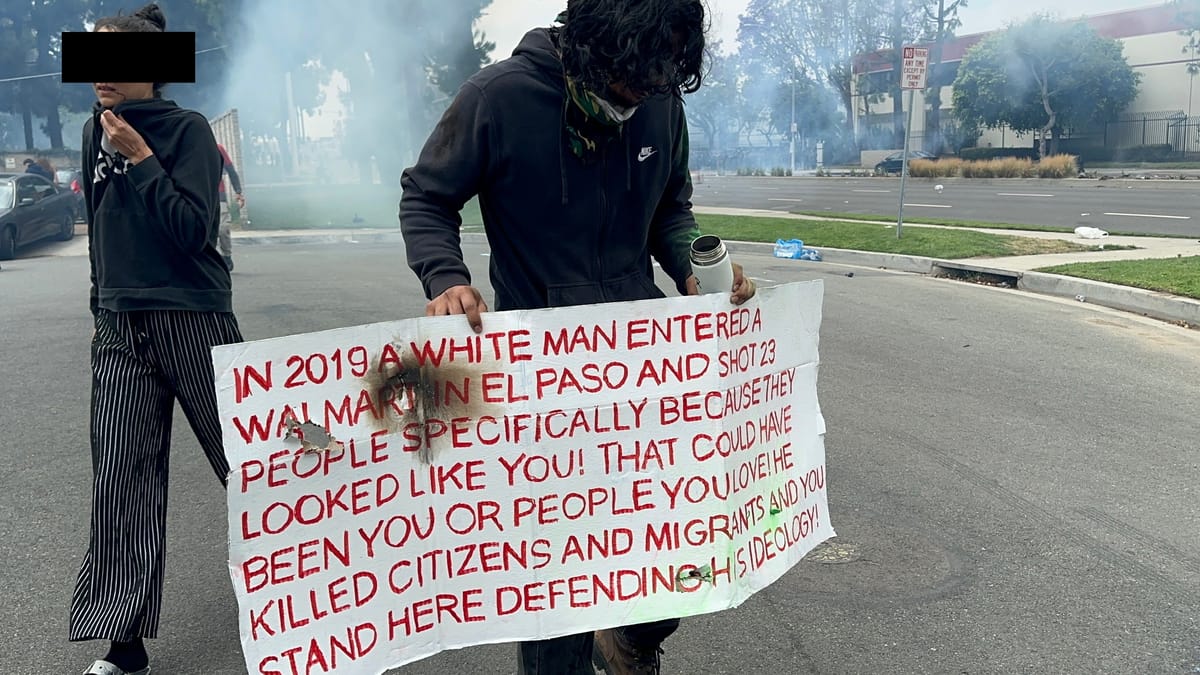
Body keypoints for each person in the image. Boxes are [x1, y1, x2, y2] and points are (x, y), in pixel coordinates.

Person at [398, 1, 755, 673]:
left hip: (644, 367)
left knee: (674, 545)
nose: (646, 90)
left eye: (664, 73)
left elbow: (671, 208)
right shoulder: (497, 99)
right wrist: (445, 277)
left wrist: (692, 264)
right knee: (558, 582)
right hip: (544, 379)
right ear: (592, 45)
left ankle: (632, 638)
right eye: (636, 77)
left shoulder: (659, 98)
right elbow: (426, 196)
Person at [70, 4, 243, 674]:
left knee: (247, 463)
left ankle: (317, 594)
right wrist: (100, 306)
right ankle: (124, 644)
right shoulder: (93, 130)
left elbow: (192, 231)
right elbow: (99, 226)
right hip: (120, 325)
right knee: (121, 477)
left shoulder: (187, 130)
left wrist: (140, 158)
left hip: (193, 315)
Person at [216, 142, 244, 271]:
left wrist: (238, 192)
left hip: (219, 195)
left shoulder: (218, 148)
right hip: (199, 197)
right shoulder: (189, 150)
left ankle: (226, 255)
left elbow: (231, 171)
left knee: (223, 229)